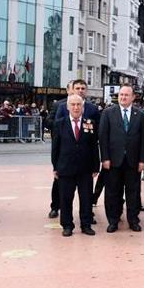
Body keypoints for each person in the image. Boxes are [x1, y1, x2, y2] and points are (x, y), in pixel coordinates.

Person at [98, 85, 144, 233]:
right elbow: (103, 137)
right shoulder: (108, 113)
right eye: (121, 95)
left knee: (133, 192)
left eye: (127, 95)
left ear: (133, 97)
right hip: (113, 161)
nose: (123, 97)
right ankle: (113, 220)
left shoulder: (140, 115)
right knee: (113, 192)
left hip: (133, 161)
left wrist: (143, 160)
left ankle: (133, 220)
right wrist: (105, 158)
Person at [51, 94, 100, 236]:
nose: (76, 107)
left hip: (85, 169)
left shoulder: (89, 123)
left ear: (83, 107)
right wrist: (55, 167)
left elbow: (93, 147)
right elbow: (55, 147)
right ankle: (67, 225)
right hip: (65, 168)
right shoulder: (59, 123)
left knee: (86, 198)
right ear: (67, 107)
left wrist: (96, 166)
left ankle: (86, 225)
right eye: (73, 104)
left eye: (79, 105)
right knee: (66, 199)